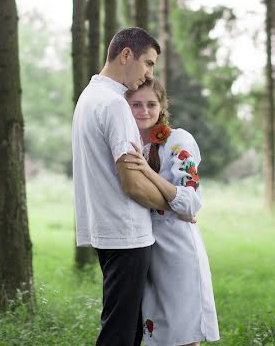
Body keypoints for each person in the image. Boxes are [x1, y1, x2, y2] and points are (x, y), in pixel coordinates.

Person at [72, 27, 171, 346]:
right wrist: (173, 202)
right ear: (126, 54)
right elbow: (132, 183)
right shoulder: (114, 104)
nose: (148, 74)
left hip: (107, 229)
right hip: (125, 232)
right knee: (121, 333)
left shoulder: (89, 97)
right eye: (148, 63)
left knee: (124, 328)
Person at [122, 78, 220, 346]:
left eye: (151, 104)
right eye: (136, 105)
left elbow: (189, 203)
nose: (143, 111)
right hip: (146, 253)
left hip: (178, 253)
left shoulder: (178, 140)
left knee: (184, 336)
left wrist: (147, 173)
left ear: (162, 105)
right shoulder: (128, 145)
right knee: (158, 338)